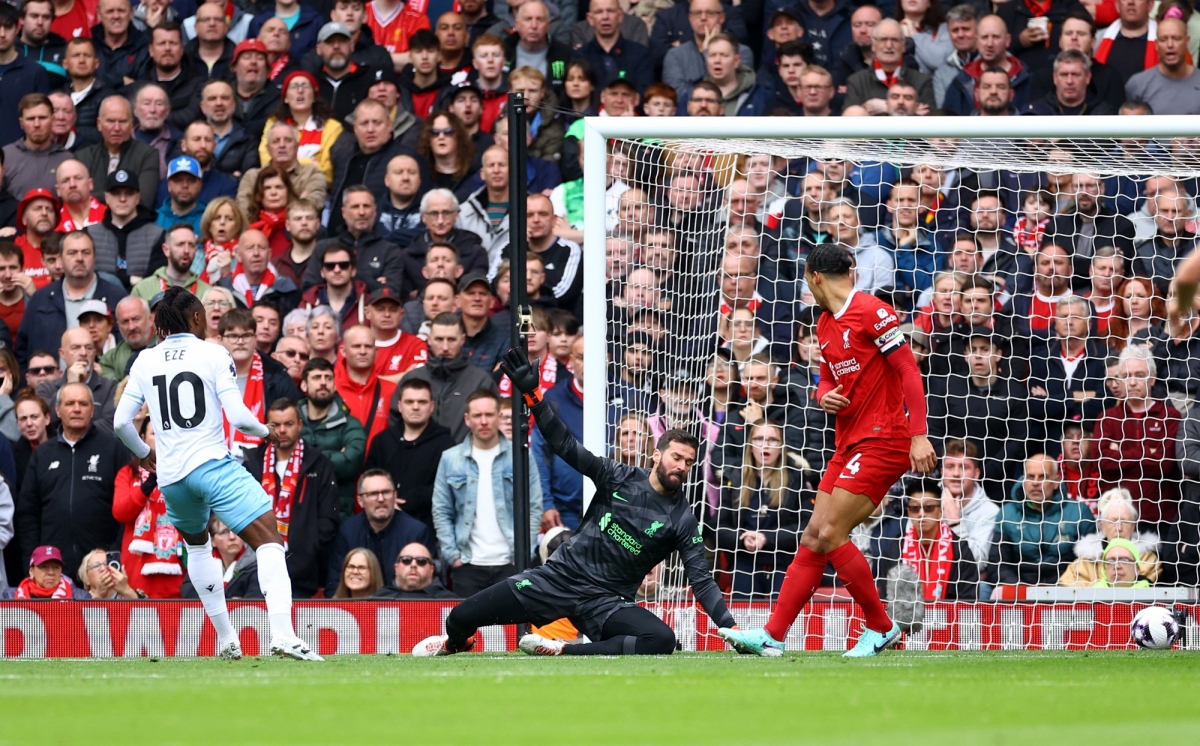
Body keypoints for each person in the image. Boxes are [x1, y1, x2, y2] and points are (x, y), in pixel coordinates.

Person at [414, 348, 735, 658]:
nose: (681, 466)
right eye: (676, 457)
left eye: (688, 463)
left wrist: (730, 628)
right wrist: (534, 395)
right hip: (557, 579)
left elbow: (702, 581)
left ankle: (563, 649)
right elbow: (566, 446)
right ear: (656, 454)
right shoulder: (618, 476)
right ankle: (455, 644)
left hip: (606, 602)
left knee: (662, 640)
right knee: (458, 617)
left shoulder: (682, 519)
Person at [721, 244, 935, 659]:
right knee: (814, 537)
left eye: (805, 279)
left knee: (832, 533)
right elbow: (824, 378)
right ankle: (772, 636)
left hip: (884, 437)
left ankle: (882, 627)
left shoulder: (873, 311)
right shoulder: (822, 323)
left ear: (815, 277)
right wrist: (823, 397)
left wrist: (918, 434)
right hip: (848, 441)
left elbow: (908, 369)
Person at [112, 287, 322, 660]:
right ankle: (284, 635)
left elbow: (120, 422)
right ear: (196, 319)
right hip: (211, 464)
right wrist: (266, 431)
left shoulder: (144, 360)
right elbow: (239, 417)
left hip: (172, 477)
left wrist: (144, 454)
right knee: (270, 540)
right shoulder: (212, 352)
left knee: (197, 546)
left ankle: (226, 638)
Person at [427, 389, 542, 600]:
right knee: (469, 631)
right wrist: (453, 556)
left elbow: (533, 506)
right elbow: (441, 510)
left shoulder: (522, 454)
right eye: (477, 416)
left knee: (512, 631)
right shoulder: (450, 459)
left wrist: (524, 553)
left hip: (511, 562)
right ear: (467, 419)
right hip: (468, 564)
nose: (483, 421)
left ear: (499, 417)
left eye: (489, 415)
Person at [16, 382, 128, 576]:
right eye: (70, 404)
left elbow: (126, 508)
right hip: (52, 567)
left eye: (83, 404)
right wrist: (32, 562)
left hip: (102, 566)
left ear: (92, 410)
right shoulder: (42, 455)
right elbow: (28, 514)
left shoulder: (113, 450)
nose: (77, 409)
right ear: (58, 410)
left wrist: (115, 553)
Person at [239, 399, 340, 599]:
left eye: (289, 424)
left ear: (300, 425)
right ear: (266, 426)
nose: (282, 430)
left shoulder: (319, 464)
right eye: (276, 425)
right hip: (258, 568)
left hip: (302, 575)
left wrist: (307, 553)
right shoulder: (253, 462)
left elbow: (328, 519)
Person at [715, 421, 812, 600]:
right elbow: (720, 528)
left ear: (781, 446)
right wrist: (744, 538)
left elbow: (807, 527)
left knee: (784, 621)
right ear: (750, 444)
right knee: (745, 618)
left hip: (784, 564)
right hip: (744, 562)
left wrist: (766, 537)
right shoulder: (733, 477)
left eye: (773, 440)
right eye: (759, 439)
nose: (765, 444)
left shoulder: (796, 479)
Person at [1094, 345, 1181, 526]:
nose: (1132, 382)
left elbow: (1163, 466)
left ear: (1152, 379)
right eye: (1126, 376)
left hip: (1160, 519)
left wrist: (1120, 454)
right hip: (1116, 521)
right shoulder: (1107, 418)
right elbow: (1103, 464)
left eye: (1139, 375)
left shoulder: (1170, 416)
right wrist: (1147, 451)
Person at [989, 454, 1097, 590]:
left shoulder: (1079, 512)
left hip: (1067, 590)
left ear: (1056, 481)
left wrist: (1066, 587)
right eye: (1030, 477)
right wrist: (1022, 590)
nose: (1035, 483)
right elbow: (997, 565)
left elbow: (1090, 563)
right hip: (1020, 592)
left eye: (1043, 477)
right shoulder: (1007, 513)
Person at [16, 230, 124, 366]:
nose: (79, 258)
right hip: (50, 385)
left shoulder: (116, 297)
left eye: (85, 252)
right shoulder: (41, 299)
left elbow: (127, 349)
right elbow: (22, 351)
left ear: (95, 256)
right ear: (60, 259)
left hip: (102, 385)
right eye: (72, 253)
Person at [365, 378, 456, 529]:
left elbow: (448, 486)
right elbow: (369, 479)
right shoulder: (382, 441)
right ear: (399, 406)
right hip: (383, 525)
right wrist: (388, 500)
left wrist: (409, 500)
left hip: (427, 527)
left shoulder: (445, 444)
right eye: (409, 402)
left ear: (431, 406)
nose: (415, 407)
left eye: (422, 402)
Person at [325, 469, 437, 592]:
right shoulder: (347, 531)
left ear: (395, 496)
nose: (381, 499)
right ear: (360, 501)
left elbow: (428, 586)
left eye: (386, 492)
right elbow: (335, 583)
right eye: (373, 494)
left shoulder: (416, 532)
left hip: (402, 606)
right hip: (359, 607)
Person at [393, 312, 498, 442]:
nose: (445, 347)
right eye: (439, 339)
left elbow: (493, 425)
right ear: (429, 339)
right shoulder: (412, 379)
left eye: (451, 339)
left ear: (462, 340)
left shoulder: (481, 381)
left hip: (466, 459)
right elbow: (395, 425)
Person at [875, 478, 978, 602]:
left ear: (940, 511)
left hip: (949, 619)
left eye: (928, 507)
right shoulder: (895, 550)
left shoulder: (960, 550)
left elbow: (968, 601)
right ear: (908, 512)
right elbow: (885, 599)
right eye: (915, 508)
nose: (921, 514)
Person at [298, 357, 367, 517]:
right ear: (304, 385)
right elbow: (281, 457)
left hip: (338, 513)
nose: (323, 383)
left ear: (334, 385)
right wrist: (335, 455)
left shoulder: (350, 424)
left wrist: (304, 457)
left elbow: (352, 461)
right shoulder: (291, 421)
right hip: (299, 513)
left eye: (328, 378)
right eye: (316, 378)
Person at [532, 335, 585, 532]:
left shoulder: (627, 395)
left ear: (607, 357)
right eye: (581, 357)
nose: (588, 364)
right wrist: (546, 503)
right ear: (571, 359)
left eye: (595, 356)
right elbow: (540, 454)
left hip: (616, 508)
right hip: (565, 511)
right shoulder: (553, 398)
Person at [1059, 488, 1161, 586]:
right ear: (1102, 526)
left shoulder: (1148, 560)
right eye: (1113, 522)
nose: (1119, 528)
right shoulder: (1084, 562)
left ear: (1133, 526)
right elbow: (1066, 586)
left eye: (1125, 521)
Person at [372, 541, 457, 598]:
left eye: (421, 561)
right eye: (406, 560)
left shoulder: (448, 601)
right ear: (396, 568)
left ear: (432, 570)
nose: (413, 565)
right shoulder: (380, 598)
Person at [7, 545, 88, 599]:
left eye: (56, 567)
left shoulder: (80, 597)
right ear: (31, 571)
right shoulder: (9, 596)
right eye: (44, 567)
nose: (51, 572)